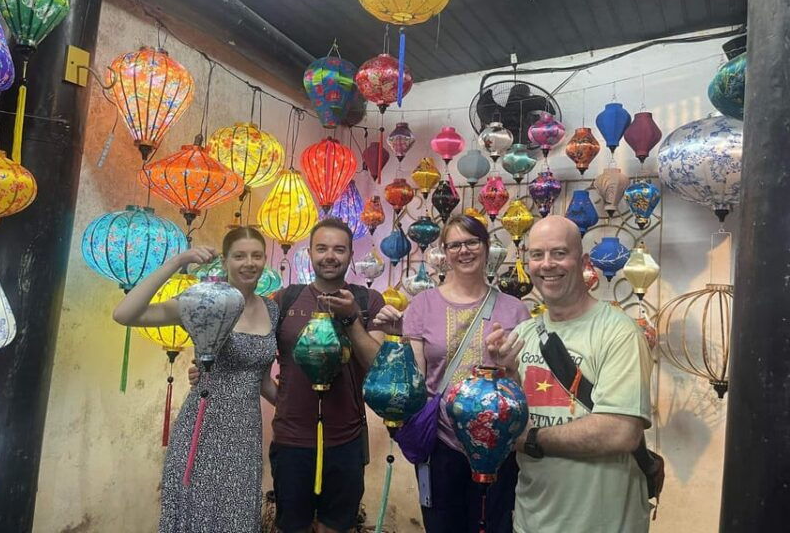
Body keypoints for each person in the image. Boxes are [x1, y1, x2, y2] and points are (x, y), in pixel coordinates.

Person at [191, 217, 385, 533]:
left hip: (347, 440)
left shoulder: (367, 301)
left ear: (351, 254)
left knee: (336, 527)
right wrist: (211, 369)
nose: (330, 256)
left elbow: (378, 366)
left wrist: (351, 319)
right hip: (292, 440)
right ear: (309, 253)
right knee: (291, 527)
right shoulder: (284, 300)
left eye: (339, 249)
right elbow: (252, 357)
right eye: (321, 248)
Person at [487, 215, 653, 533]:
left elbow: (620, 432)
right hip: (530, 519)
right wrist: (507, 373)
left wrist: (531, 440)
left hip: (602, 523)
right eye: (537, 255)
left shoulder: (618, 332)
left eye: (559, 253)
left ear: (583, 261)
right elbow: (515, 418)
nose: (547, 264)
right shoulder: (524, 332)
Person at [113, 226, 277, 532]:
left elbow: (263, 381)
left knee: (238, 520)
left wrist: (303, 410)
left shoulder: (272, 309)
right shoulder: (203, 302)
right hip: (203, 428)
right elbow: (125, 314)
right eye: (239, 256)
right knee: (196, 518)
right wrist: (177, 262)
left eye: (257, 256)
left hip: (245, 436)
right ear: (226, 261)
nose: (249, 263)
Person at [373, 214, 530, 533]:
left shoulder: (515, 309)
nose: (464, 251)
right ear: (444, 252)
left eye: (472, 242)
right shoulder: (422, 305)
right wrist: (394, 340)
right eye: (455, 244)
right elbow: (414, 383)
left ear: (487, 248)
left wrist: (508, 366)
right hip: (440, 445)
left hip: (497, 445)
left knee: (494, 526)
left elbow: (523, 386)